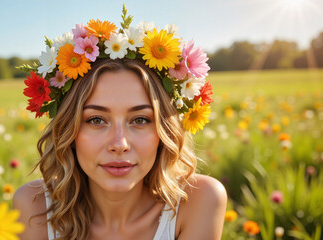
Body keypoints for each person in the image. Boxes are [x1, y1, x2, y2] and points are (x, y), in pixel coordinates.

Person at [13, 10, 227, 240]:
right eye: (96, 120)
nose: (119, 144)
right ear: (69, 130)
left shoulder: (198, 202)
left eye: (140, 120)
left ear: (164, 131)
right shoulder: (34, 206)